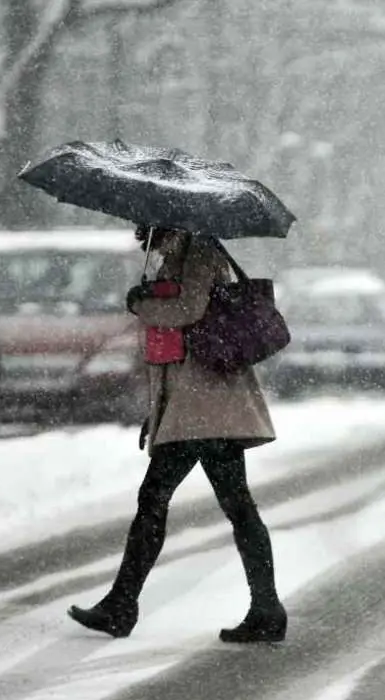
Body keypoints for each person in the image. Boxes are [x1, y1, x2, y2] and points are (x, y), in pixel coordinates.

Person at [68, 225, 286, 643]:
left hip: (208, 405)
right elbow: (172, 348)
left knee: (159, 499)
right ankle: (266, 608)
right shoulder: (174, 252)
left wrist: (142, 303)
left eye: (144, 217)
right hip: (196, 408)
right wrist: (160, 411)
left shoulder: (199, 247)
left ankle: (122, 604)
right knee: (234, 505)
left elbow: (188, 310)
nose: (137, 226)